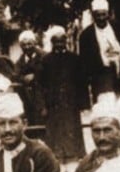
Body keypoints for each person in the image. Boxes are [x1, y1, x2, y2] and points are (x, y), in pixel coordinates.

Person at [37, 29, 88, 164]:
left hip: (71, 102)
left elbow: (82, 82)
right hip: (53, 103)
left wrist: (84, 104)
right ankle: (57, 156)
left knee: (72, 127)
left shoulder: (74, 59)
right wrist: (43, 105)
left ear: (65, 42)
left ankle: (73, 154)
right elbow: (40, 85)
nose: (59, 44)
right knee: (55, 129)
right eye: (56, 42)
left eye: (62, 41)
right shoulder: (46, 60)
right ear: (52, 43)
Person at [78, 0, 120, 103]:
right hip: (101, 78)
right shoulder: (86, 35)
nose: (101, 18)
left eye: (103, 14)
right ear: (93, 15)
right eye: (97, 15)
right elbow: (84, 62)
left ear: (108, 14)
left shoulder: (118, 29)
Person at [13, 30, 46, 128]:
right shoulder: (21, 60)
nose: (27, 47)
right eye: (24, 45)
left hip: (43, 99)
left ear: (34, 43)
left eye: (29, 44)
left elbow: (49, 72)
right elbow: (14, 75)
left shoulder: (44, 56)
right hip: (29, 100)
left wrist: (35, 76)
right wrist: (23, 78)